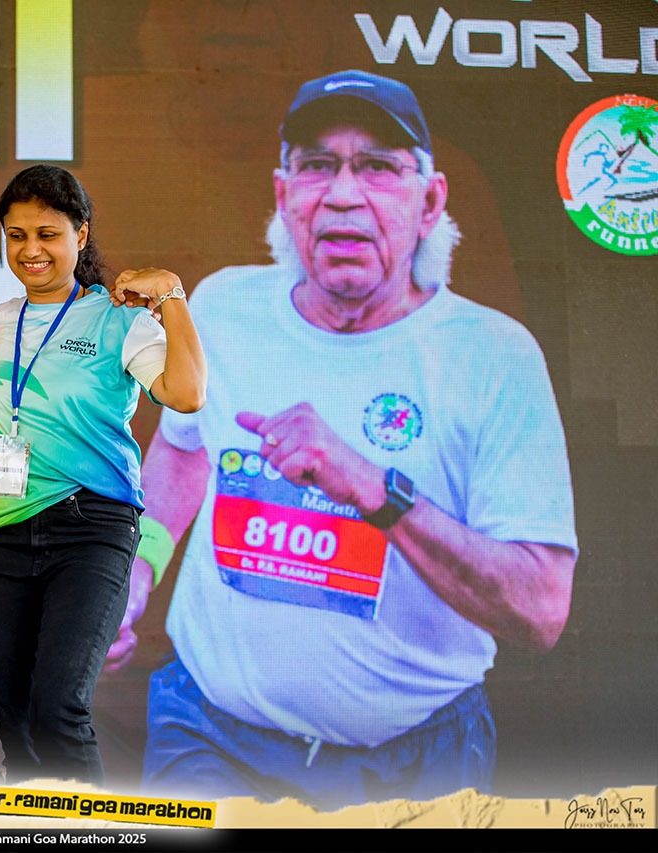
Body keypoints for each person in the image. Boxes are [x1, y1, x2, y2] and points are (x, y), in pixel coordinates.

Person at [110, 70, 578, 809]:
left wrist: (373, 488)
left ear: (431, 202)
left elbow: (540, 611)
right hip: (210, 734)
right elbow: (185, 450)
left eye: (379, 167)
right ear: (283, 194)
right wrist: (135, 574)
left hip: (417, 759)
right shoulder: (223, 308)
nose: (343, 194)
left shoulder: (493, 356)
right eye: (317, 165)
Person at [0, 165, 207, 786]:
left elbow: (186, 394)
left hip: (91, 525)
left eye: (47, 234)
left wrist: (172, 296)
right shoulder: (0, 321)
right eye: (16, 235)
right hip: (0, 530)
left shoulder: (119, 319)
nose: (31, 250)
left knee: (58, 709)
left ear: (80, 234)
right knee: (15, 721)